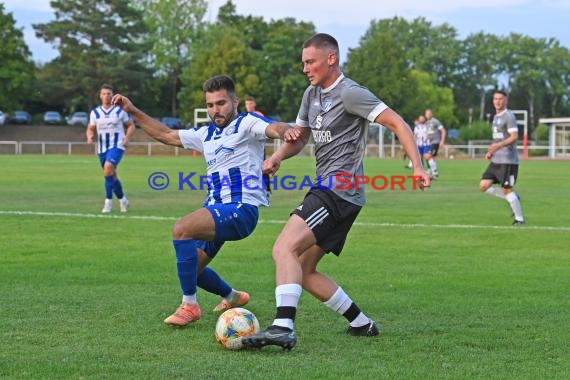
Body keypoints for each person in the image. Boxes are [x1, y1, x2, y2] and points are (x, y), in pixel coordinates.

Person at [242, 33, 431, 350]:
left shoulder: (351, 93)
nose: (305, 68)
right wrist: (275, 157)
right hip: (339, 194)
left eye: (310, 61)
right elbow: (300, 137)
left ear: (331, 59)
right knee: (304, 269)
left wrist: (417, 166)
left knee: (283, 248)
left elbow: (397, 122)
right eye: (303, 62)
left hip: (338, 188)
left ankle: (282, 326)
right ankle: (362, 324)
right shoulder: (311, 94)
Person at [112, 75, 293, 327]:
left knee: (181, 229)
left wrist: (288, 131)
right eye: (210, 105)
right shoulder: (204, 134)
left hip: (241, 210)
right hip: (216, 209)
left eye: (221, 103)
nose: (215, 110)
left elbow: (275, 128)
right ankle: (233, 296)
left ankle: (190, 306)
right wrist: (132, 110)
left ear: (235, 101)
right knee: (190, 269)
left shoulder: (247, 123)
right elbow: (165, 134)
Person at [86, 84, 135, 213]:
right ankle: (123, 199)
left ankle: (108, 202)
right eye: (104, 94)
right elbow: (90, 128)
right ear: (100, 96)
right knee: (111, 175)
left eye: (109, 94)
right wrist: (90, 136)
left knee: (108, 169)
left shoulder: (120, 111)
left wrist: (127, 138)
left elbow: (130, 126)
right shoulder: (95, 113)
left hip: (117, 146)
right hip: (102, 148)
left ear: (112, 95)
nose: (106, 96)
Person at [479, 90, 525, 225]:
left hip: (508, 160)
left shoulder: (509, 116)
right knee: (483, 186)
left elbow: (514, 137)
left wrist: (497, 146)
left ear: (506, 100)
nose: (497, 101)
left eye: (500, 99)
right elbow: (497, 138)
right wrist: (491, 151)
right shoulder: (496, 117)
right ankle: (514, 198)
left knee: (507, 190)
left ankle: (519, 219)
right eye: (495, 99)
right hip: (496, 160)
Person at [244, 95, 273, 203]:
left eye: (250, 103)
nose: (248, 106)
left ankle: (267, 191)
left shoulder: (259, 115)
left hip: (259, 148)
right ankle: (252, 193)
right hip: (248, 149)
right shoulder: (245, 116)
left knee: (263, 169)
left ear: (254, 104)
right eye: (247, 104)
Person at [424, 108, 446, 179]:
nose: (427, 115)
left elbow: (443, 130)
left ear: (431, 114)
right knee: (429, 157)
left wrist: (442, 141)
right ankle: (431, 172)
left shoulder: (435, 121)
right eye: (426, 114)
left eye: (429, 114)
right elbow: (429, 132)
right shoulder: (427, 123)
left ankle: (435, 173)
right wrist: (426, 138)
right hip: (430, 142)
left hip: (435, 142)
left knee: (427, 156)